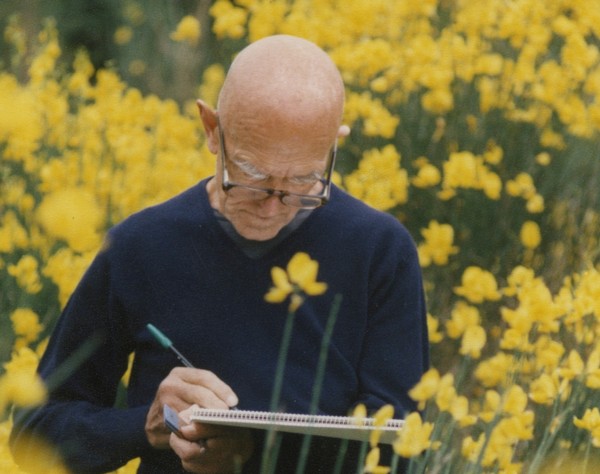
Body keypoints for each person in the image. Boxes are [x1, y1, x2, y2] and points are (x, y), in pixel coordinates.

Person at [10, 35, 429, 473]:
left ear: (334, 144)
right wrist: (146, 426)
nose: (273, 205)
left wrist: (252, 453)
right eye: (250, 174)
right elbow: (34, 433)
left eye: (303, 181)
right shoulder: (141, 245)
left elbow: (403, 449)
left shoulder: (381, 252)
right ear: (212, 129)